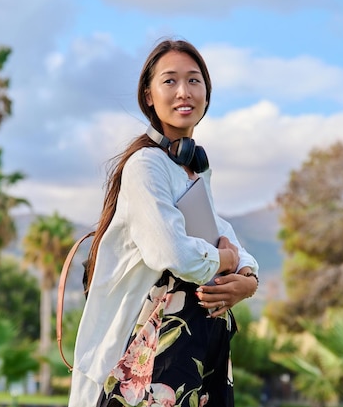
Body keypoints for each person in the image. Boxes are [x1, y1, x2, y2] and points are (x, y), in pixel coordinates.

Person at [68, 39, 259, 407]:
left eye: (194, 80)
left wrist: (246, 282)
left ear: (207, 92)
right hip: (142, 361)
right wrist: (226, 262)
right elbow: (174, 253)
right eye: (170, 81)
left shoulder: (193, 173)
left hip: (193, 357)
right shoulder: (146, 165)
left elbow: (228, 239)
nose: (184, 91)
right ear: (149, 95)